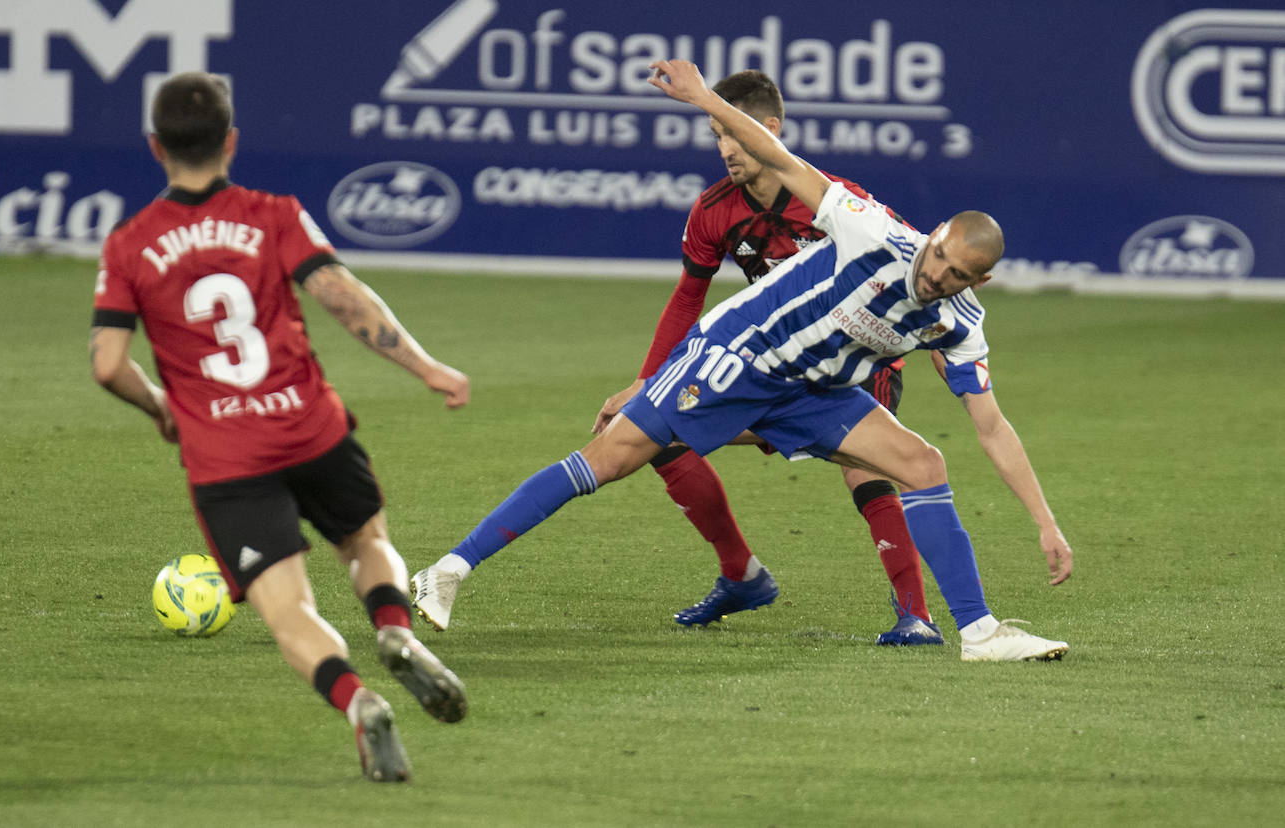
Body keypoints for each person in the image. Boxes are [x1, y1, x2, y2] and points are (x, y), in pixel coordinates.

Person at [411, 59, 1070, 662]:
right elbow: (778, 157)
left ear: (975, 283)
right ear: (932, 238)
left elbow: (991, 426)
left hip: (816, 390)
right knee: (612, 457)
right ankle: (448, 570)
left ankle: (977, 631)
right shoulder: (870, 229)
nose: (937, 277)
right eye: (938, 258)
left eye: (956, 275)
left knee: (924, 462)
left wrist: (1045, 524)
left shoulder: (958, 323)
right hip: (736, 355)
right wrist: (701, 98)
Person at [90, 72, 469, 782]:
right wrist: (426, 368)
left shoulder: (130, 245)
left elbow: (108, 363)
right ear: (230, 141)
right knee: (366, 541)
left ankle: (358, 702)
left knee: (288, 609)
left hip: (225, 458)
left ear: (154, 147)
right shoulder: (275, 215)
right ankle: (394, 631)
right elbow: (340, 295)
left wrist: (162, 408)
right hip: (310, 430)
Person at [588, 69, 942, 644]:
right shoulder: (714, 211)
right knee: (656, 429)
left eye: (732, 132)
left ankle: (916, 616)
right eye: (716, 135)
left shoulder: (831, 200)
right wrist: (646, 382)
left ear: (768, 129)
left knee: (867, 470)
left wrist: (939, 345)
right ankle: (742, 576)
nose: (725, 147)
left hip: (852, 366)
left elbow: (919, 263)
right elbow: (686, 299)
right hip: (772, 367)